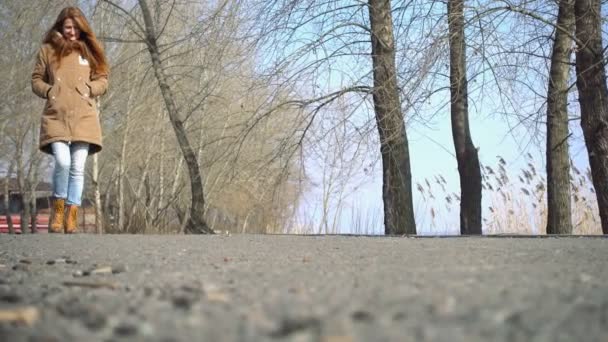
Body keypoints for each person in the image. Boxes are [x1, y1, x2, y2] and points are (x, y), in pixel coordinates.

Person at [31, 7, 109, 234]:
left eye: (76, 27)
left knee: (77, 167)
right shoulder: (47, 50)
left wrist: (90, 89)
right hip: (56, 117)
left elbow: (103, 79)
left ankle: (71, 215)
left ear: (82, 28)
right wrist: (49, 91)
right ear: (60, 27)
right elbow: (36, 79)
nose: (72, 32)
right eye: (68, 27)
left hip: (84, 118)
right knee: (63, 162)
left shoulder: (91, 50)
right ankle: (57, 210)